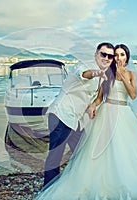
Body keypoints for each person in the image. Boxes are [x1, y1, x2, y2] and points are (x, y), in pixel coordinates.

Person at [36, 44, 137, 199]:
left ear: (127, 57)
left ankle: (114, 180)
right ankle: (51, 187)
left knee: (101, 151)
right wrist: (94, 100)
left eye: (119, 55)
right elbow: (94, 89)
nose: (116, 58)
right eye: (112, 55)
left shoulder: (130, 74)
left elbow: (133, 95)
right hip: (65, 114)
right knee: (67, 154)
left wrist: (122, 75)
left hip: (118, 115)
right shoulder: (94, 69)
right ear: (97, 54)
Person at [43, 42, 115, 186]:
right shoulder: (84, 66)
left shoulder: (103, 77)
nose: (106, 58)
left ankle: (75, 185)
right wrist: (95, 73)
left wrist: (92, 106)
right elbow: (84, 74)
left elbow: (94, 97)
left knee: (81, 153)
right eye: (103, 54)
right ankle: (48, 190)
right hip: (61, 116)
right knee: (55, 157)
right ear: (96, 55)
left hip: (76, 121)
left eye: (110, 56)